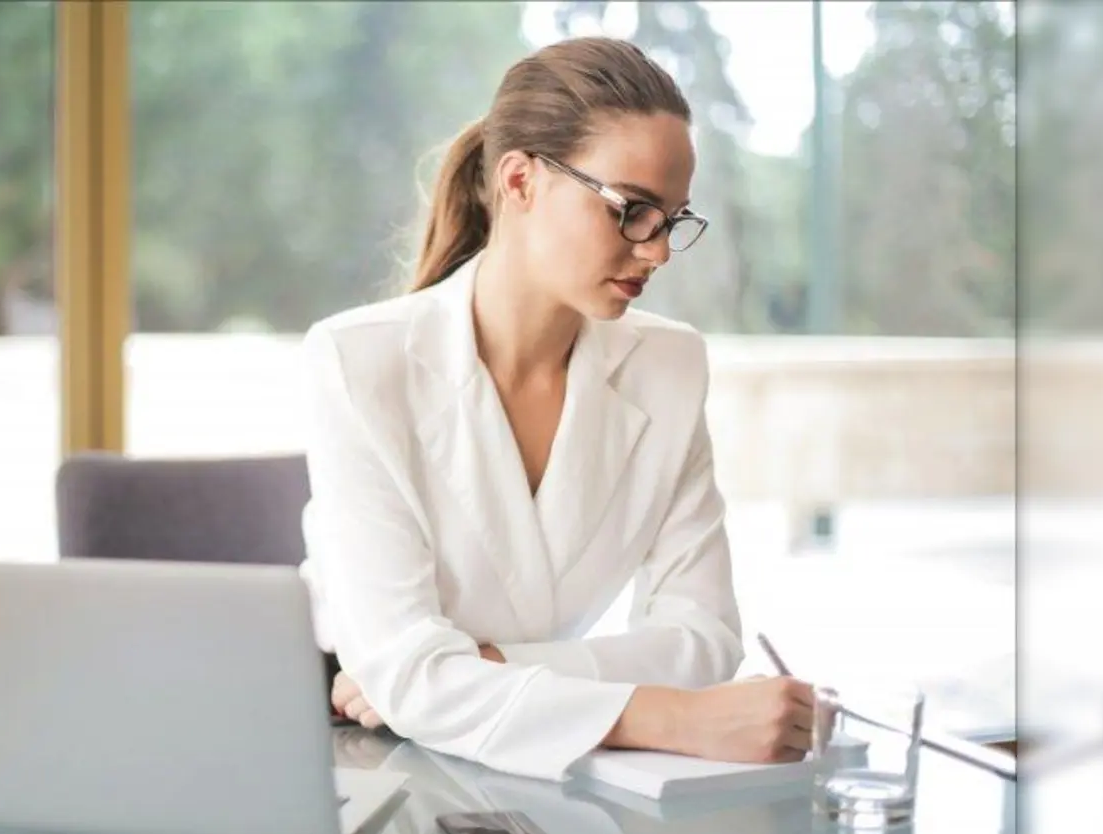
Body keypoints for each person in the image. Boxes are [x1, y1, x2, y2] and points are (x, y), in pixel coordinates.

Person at [297, 36, 814, 782]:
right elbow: (405, 679)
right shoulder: (358, 362)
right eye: (632, 210)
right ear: (519, 181)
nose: (658, 252)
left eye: (672, 219)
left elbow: (703, 637)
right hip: (354, 753)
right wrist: (664, 715)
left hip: (537, 762)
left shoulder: (668, 367)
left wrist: (496, 666)